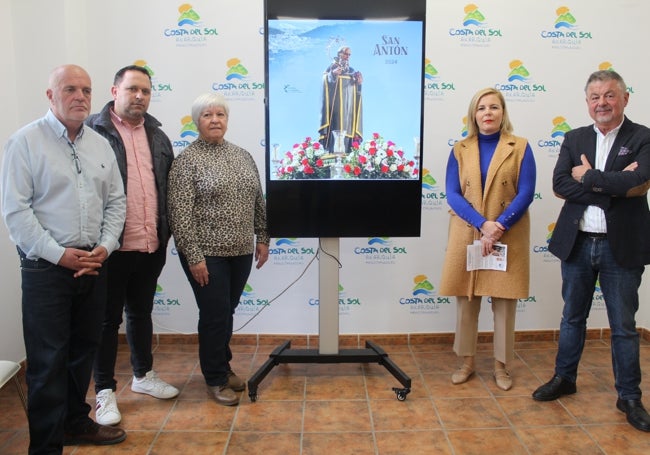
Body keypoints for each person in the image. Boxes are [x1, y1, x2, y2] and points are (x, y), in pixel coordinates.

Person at [0, 64, 127, 453]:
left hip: (93, 265)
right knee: (48, 361)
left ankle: (75, 422)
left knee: (83, 353)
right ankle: (47, 446)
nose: (80, 97)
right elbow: (17, 213)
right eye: (70, 89)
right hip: (46, 270)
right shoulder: (25, 142)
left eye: (86, 90)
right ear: (50, 96)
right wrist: (60, 256)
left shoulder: (100, 143)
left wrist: (105, 246)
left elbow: (117, 204)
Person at [532, 70, 650, 432]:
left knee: (624, 327)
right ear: (587, 102)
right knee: (572, 318)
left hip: (622, 246)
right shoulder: (574, 137)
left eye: (610, 95)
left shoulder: (643, 137)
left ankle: (629, 396)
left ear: (625, 99)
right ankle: (565, 378)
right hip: (579, 242)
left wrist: (590, 176)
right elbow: (559, 184)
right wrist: (614, 186)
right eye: (595, 96)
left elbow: (640, 182)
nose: (602, 102)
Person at [86, 65, 177, 427]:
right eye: (132, 89)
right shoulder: (92, 132)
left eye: (146, 91)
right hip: (109, 247)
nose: (140, 96)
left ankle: (143, 376)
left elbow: (166, 188)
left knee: (140, 313)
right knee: (106, 320)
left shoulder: (158, 135)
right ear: (114, 90)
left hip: (150, 242)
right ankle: (104, 391)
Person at [167, 93, 269, 406]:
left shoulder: (242, 155)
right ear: (197, 121)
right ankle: (214, 378)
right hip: (206, 254)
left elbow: (257, 200)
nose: (215, 120)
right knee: (214, 314)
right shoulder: (186, 162)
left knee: (227, 312)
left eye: (220, 114)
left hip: (240, 251)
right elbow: (179, 214)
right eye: (208, 115)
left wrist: (262, 237)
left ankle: (223, 367)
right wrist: (194, 258)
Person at [439, 87, 536, 391]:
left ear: (503, 113)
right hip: (469, 232)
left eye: (494, 107)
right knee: (467, 301)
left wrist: (498, 226)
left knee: (505, 305)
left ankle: (501, 367)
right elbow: (453, 194)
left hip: (508, 233)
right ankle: (466, 362)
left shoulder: (520, 147)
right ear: (474, 114)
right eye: (481, 108)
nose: (488, 113)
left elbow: (526, 191)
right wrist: (482, 224)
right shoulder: (460, 149)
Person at [318, 46, 363, 153]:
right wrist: (333, 74)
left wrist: (359, 83)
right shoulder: (331, 67)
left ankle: (349, 150)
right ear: (339, 54)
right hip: (335, 107)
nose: (348, 57)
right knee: (336, 127)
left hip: (350, 109)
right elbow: (325, 82)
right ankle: (333, 151)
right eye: (345, 54)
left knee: (349, 129)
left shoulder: (352, 71)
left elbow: (357, 91)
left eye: (349, 55)